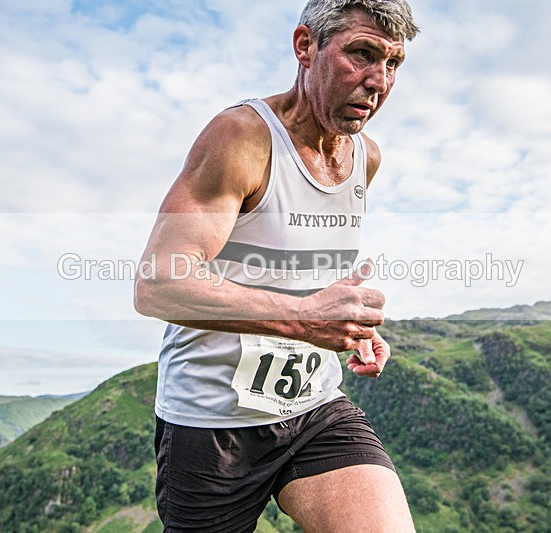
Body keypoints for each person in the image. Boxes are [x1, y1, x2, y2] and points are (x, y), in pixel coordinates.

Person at [134, 1, 420, 531]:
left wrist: (348, 325)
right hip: (213, 424)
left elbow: (302, 273)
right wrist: (304, 317)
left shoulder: (365, 157)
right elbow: (158, 285)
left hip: (314, 406)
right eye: (362, 53)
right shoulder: (242, 138)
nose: (378, 81)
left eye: (394, 63)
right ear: (305, 46)